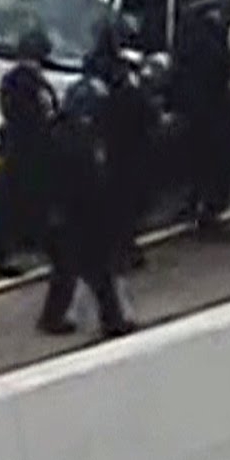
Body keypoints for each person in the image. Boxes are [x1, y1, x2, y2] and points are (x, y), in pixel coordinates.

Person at [37, 78, 138, 339]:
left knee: (69, 270)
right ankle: (111, 320)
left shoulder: (60, 134)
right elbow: (85, 182)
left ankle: (54, 316)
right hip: (78, 215)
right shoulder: (75, 141)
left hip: (68, 215)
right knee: (95, 269)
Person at [171, 6, 230, 242]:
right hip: (212, 113)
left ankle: (194, 204)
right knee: (219, 165)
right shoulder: (210, 50)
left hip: (192, 114)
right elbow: (221, 71)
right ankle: (209, 216)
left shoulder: (186, 45)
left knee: (198, 163)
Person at [0, 51, 57, 279]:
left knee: (6, 208)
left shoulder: (10, 81)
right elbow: (49, 111)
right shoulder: (37, 84)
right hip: (31, 153)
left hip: (13, 151)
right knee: (33, 203)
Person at [87, 46, 155, 274]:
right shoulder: (133, 94)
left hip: (113, 157)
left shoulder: (106, 94)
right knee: (127, 208)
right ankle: (124, 253)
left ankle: (119, 251)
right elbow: (148, 119)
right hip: (131, 157)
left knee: (116, 206)